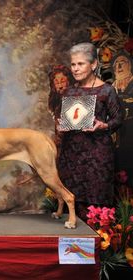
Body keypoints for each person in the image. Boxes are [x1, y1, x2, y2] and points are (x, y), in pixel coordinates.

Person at [56, 42, 123, 221]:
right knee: (72, 204)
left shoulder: (107, 91)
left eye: (80, 64)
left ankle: (95, 245)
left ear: (93, 65)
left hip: (97, 157)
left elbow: (118, 119)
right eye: (73, 64)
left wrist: (104, 125)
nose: (75, 69)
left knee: (96, 206)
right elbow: (64, 120)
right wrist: (60, 125)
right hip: (71, 157)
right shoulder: (68, 91)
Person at [111, 52, 133, 186]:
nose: (118, 66)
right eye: (116, 64)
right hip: (117, 133)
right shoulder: (110, 88)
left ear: (130, 65)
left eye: (122, 62)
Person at [48, 65, 74, 149]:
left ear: (69, 81)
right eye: (56, 82)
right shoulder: (55, 102)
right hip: (62, 144)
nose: (60, 86)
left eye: (62, 81)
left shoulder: (77, 98)